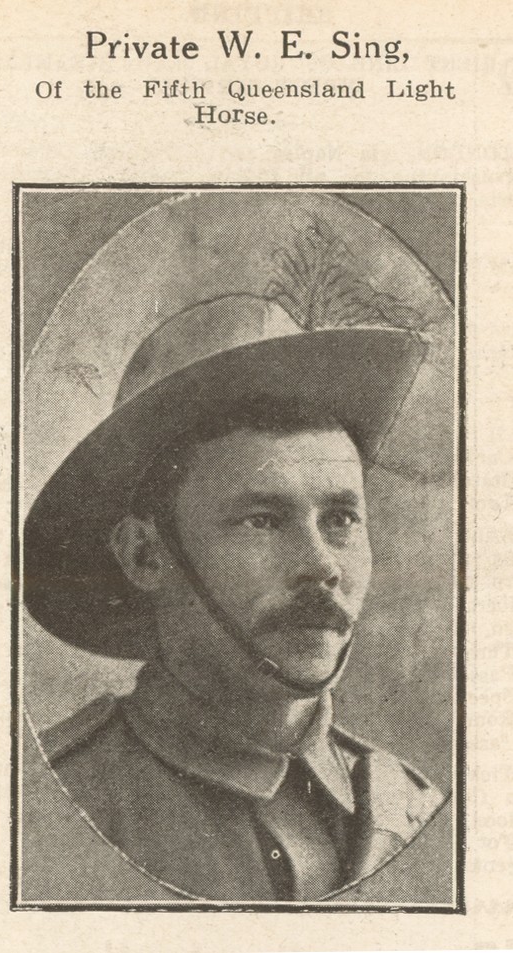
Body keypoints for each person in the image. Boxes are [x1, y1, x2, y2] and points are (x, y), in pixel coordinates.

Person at [24, 294, 445, 901]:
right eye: (263, 520)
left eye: (341, 520)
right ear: (146, 554)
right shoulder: (55, 810)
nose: (321, 565)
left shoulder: (414, 810)